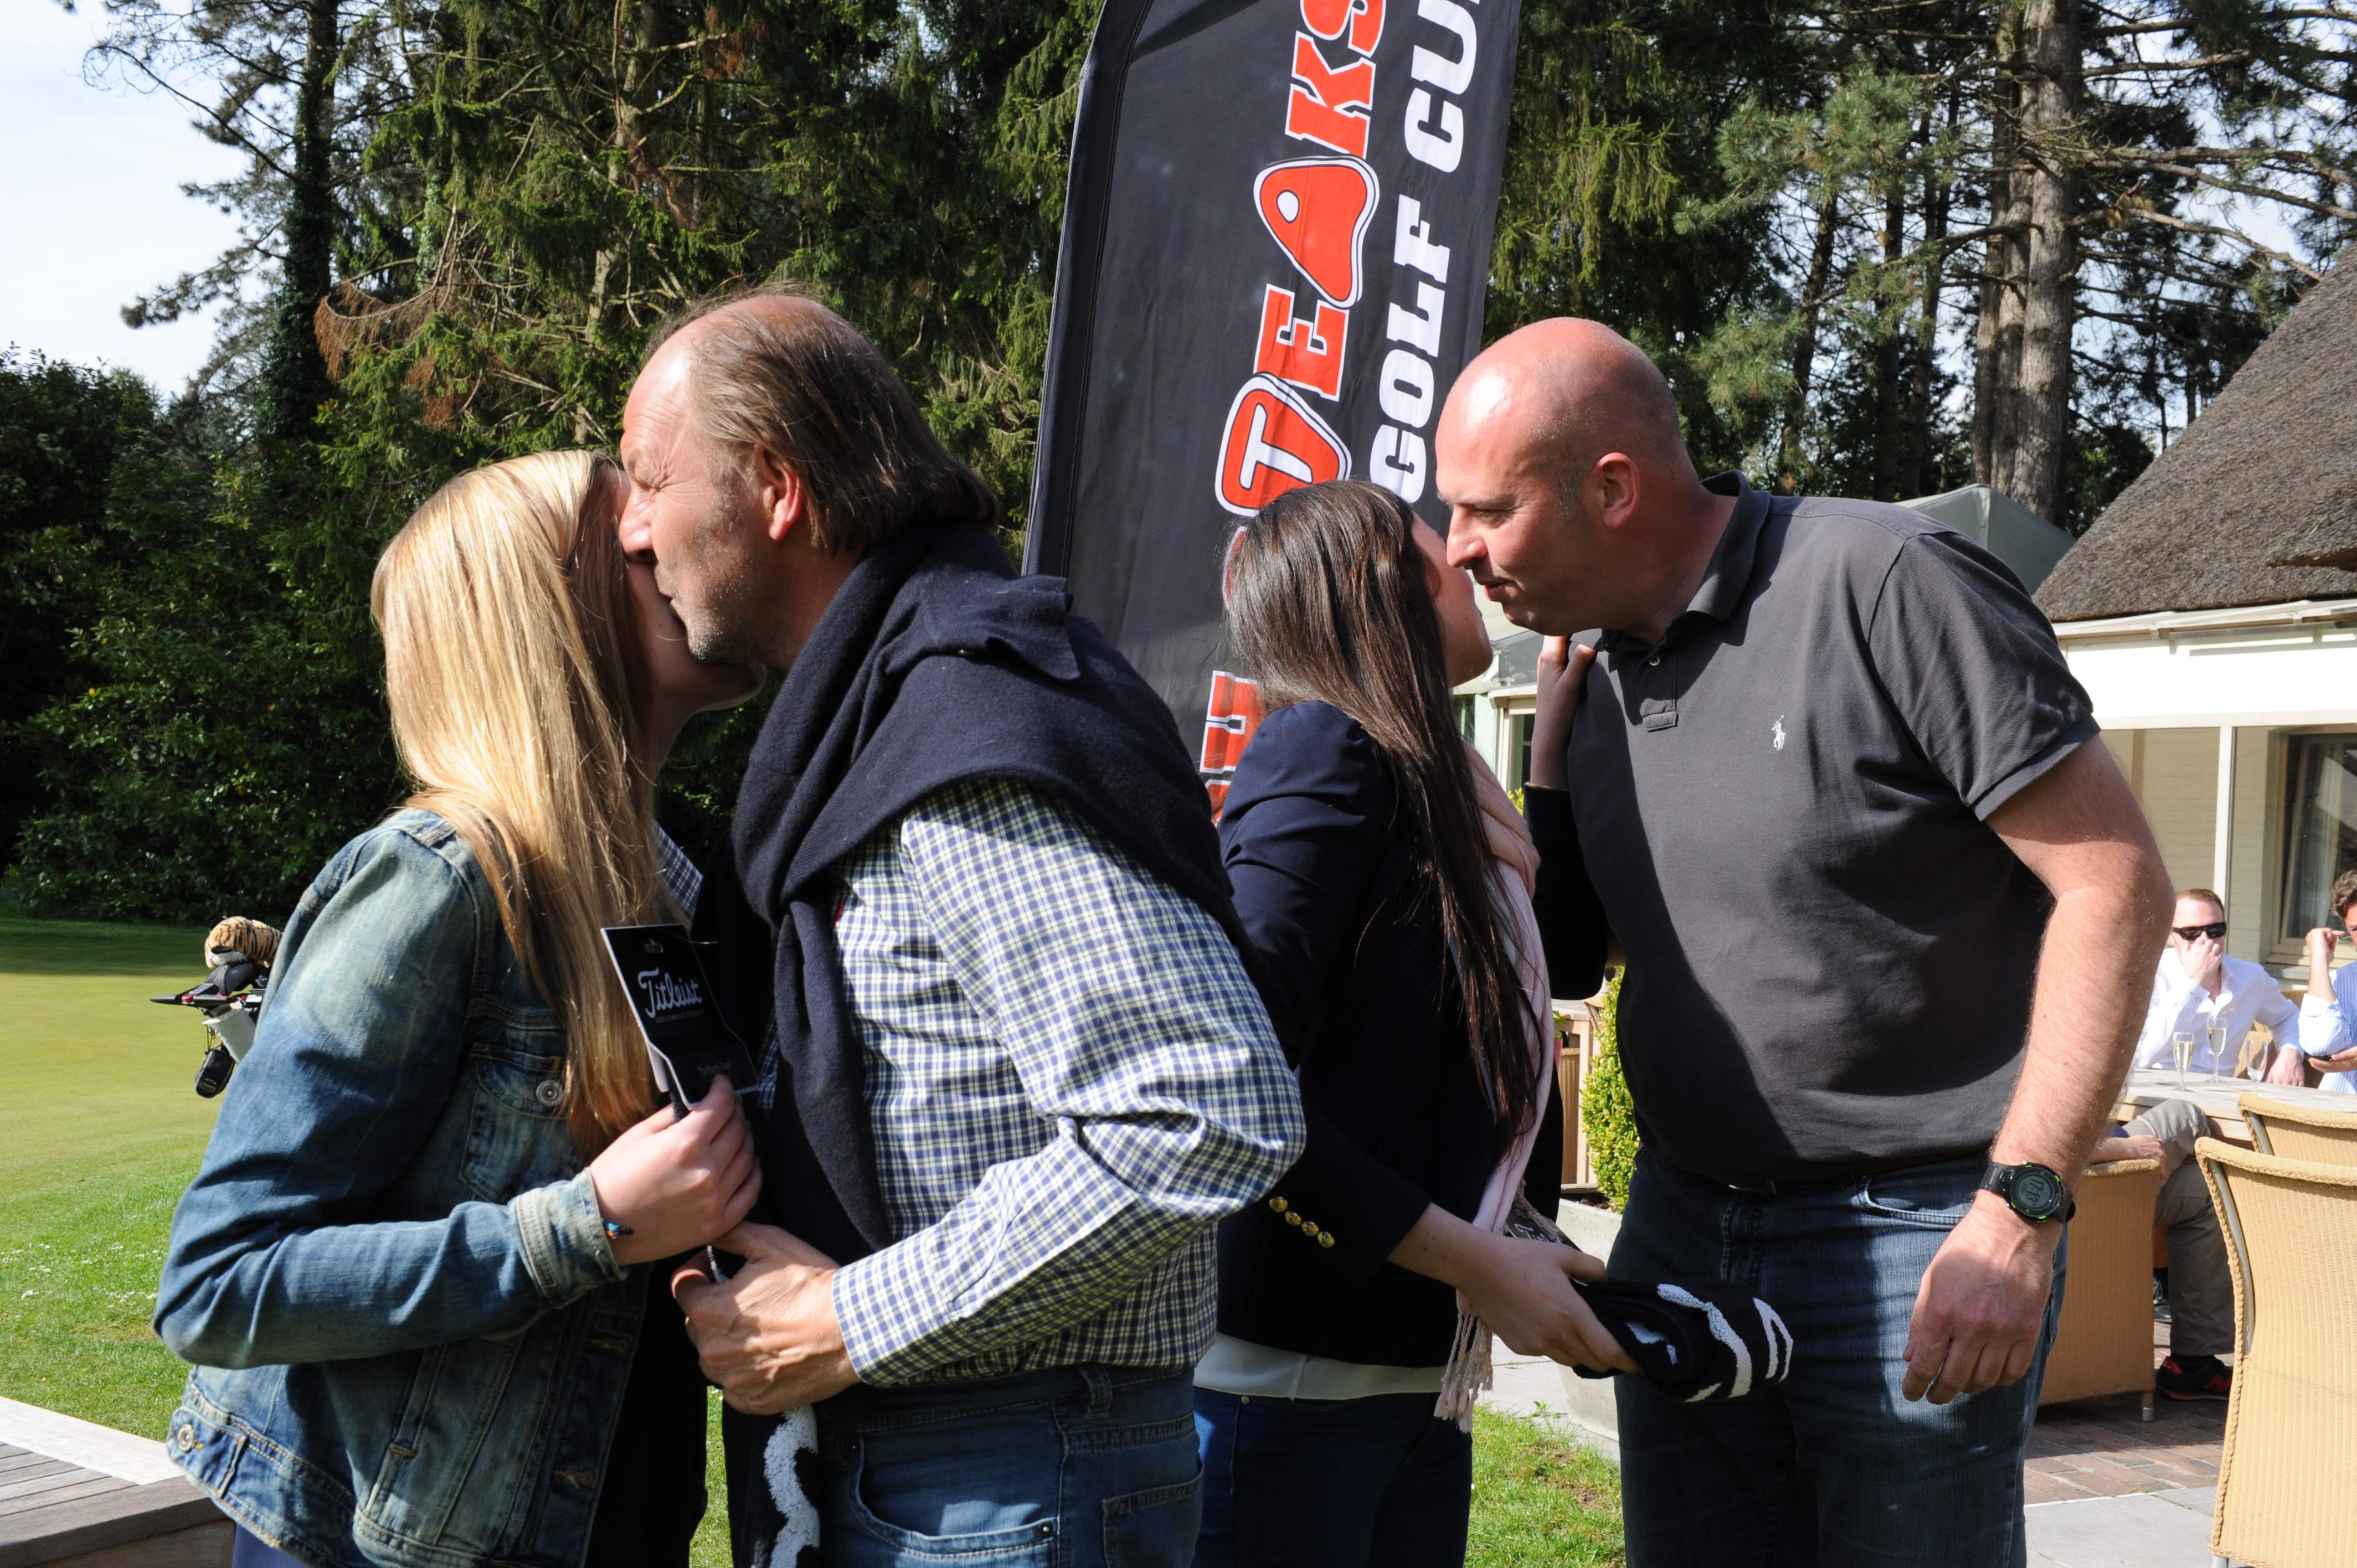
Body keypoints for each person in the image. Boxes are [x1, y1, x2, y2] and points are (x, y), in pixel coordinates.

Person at [1434, 317, 2174, 1568]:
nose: (1459, 548)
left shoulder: (1886, 583)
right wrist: (1547, 772)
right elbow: (1574, 958)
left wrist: (2023, 1212)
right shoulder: (1595, 675)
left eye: (1488, 511)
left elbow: (2117, 885)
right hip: (1681, 1225)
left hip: (1914, 1232)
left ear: (1612, 488)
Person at [613, 290, 1306, 1568]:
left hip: (1000, 1474)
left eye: (650, 480)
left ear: (776, 486)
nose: (633, 525)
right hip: (976, 1466)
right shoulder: (895, 715)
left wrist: (856, 1316)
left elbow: (1204, 1108)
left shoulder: (965, 727)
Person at [155, 451, 769, 1568]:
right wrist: (586, 1226)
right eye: (627, 538)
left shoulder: (680, 886)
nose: (671, 541)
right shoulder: (437, 882)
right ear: (546, 614)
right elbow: (219, 1284)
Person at [1197, 480, 1630, 1568]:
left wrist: (1547, 765)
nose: (1472, 565)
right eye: (1444, 548)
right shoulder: (1323, 750)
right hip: (1295, 1385)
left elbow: (1564, 960)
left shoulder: (1438, 776)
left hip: (1407, 1376)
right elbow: (1229, 1075)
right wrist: (1473, 1260)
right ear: (1380, 582)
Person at [2089, 1101, 2237, 1400]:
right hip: (2088, 1182)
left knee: (2207, 1189)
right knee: (2187, 1115)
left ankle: (2193, 1365)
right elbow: (2042, 1145)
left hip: (2078, 1199)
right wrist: (2127, 1147)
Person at [2130, 889, 2304, 1084]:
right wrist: (2194, 981)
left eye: (2215, 930)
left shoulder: (2251, 977)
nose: (2205, 940)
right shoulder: (2152, 975)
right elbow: (2142, 1057)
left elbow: (2287, 1017)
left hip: (2222, 1094)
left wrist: (2290, 1052)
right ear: (2170, 936)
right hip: (2159, 1091)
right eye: (2191, 933)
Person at [2291, 869, 2357, 1092]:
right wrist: (2319, 959)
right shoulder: (2339, 981)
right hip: (2337, 1108)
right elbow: (2322, 1044)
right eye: (2356, 929)